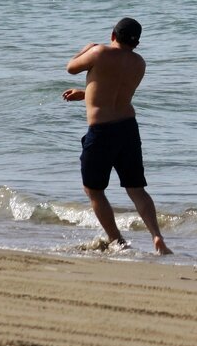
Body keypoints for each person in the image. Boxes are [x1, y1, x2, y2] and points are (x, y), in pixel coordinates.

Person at [62, 17, 172, 255]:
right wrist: (85, 93)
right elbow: (117, 90)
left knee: (94, 190)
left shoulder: (99, 52)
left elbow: (71, 68)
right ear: (137, 43)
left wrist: (86, 48)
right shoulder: (139, 63)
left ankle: (117, 240)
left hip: (102, 131)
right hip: (128, 128)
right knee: (136, 189)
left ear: (113, 35)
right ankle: (157, 236)